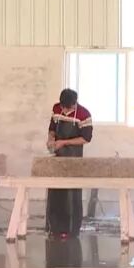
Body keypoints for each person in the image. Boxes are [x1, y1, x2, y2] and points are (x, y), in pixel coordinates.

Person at [46, 88, 93, 238]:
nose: (65, 110)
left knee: (71, 195)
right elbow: (52, 129)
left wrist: (64, 142)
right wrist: (51, 140)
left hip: (74, 158)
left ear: (74, 103)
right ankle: (53, 228)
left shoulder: (83, 114)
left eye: (68, 107)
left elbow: (86, 138)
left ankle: (72, 230)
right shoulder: (56, 109)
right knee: (55, 192)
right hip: (58, 157)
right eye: (63, 107)